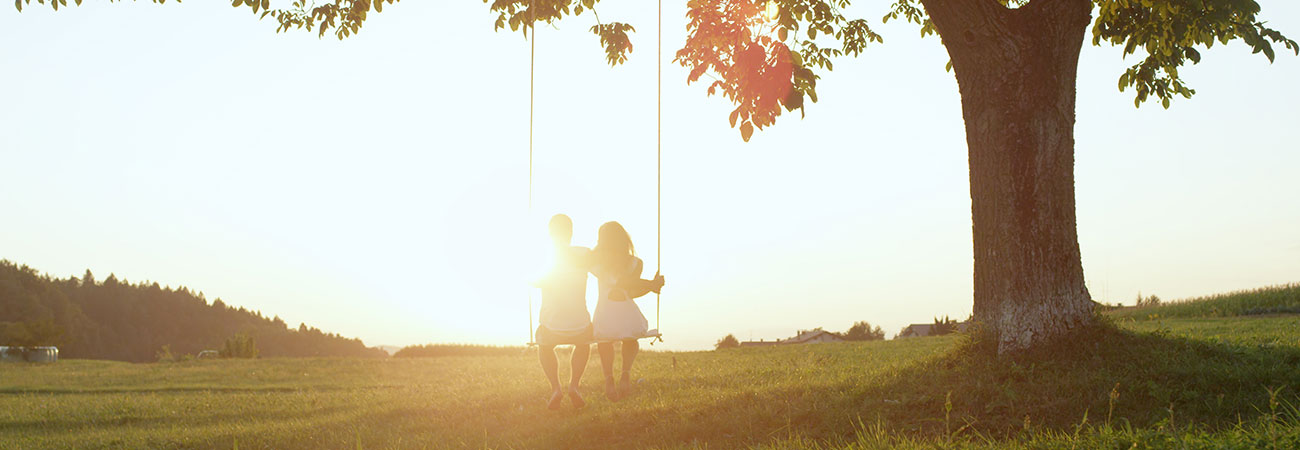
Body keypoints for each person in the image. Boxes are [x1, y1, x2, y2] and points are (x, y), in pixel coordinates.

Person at [590, 221, 665, 401]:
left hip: (605, 313)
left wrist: (651, 286)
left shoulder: (597, 263)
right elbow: (629, 289)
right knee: (630, 337)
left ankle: (609, 379)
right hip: (627, 313)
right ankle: (625, 374)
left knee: (604, 341)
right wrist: (651, 285)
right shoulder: (635, 263)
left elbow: (627, 285)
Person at [532, 214, 595, 410]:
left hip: (551, 327)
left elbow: (534, 280)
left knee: (543, 344)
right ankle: (574, 385)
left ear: (550, 233)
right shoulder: (584, 254)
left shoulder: (543, 256)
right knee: (584, 345)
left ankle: (555, 388)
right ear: (571, 232)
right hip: (581, 326)